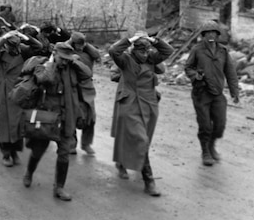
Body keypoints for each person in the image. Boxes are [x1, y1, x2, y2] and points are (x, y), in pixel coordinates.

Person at [22, 42, 92, 201]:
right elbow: (45, 79)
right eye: (62, 58)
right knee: (38, 151)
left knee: (64, 154)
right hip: (47, 117)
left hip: (66, 116)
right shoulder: (43, 66)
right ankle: (29, 172)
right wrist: (52, 62)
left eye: (67, 58)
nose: (65, 61)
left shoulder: (72, 68)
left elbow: (87, 74)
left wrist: (75, 61)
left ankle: (59, 187)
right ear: (55, 53)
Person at [109, 31, 174, 197]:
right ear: (134, 50)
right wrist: (131, 39)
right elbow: (113, 51)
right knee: (140, 139)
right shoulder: (125, 60)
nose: (144, 55)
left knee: (144, 139)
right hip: (130, 105)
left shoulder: (153, 59)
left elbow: (168, 51)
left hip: (149, 104)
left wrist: (153, 40)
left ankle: (127, 162)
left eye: (147, 51)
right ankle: (149, 180)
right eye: (141, 51)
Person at [184, 20, 240, 166]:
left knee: (220, 125)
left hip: (218, 94)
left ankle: (211, 145)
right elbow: (188, 67)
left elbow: (230, 72)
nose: (210, 35)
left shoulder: (223, 51)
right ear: (203, 35)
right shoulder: (197, 50)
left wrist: (234, 91)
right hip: (201, 93)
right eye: (207, 33)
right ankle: (205, 152)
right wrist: (195, 75)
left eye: (213, 33)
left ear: (217, 35)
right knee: (205, 126)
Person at [0, 30, 43, 167]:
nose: (14, 49)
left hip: (19, 91)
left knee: (18, 123)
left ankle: (15, 152)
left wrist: (26, 37)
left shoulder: (23, 52)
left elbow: (39, 48)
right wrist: (4, 37)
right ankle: (6, 153)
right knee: (4, 123)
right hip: (3, 91)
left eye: (16, 46)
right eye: (11, 45)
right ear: (5, 45)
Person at [67, 31, 101, 155]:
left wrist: (85, 44)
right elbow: (58, 53)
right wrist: (70, 42)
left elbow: (97, 55)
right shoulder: (67, 51)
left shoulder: (89, 52)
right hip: (71, 87)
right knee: (71, 116)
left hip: (87, 87)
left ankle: (86, 144)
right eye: (78, 44)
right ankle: (71, 144)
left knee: (90, 117)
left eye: (82, 44)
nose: (80, 47)